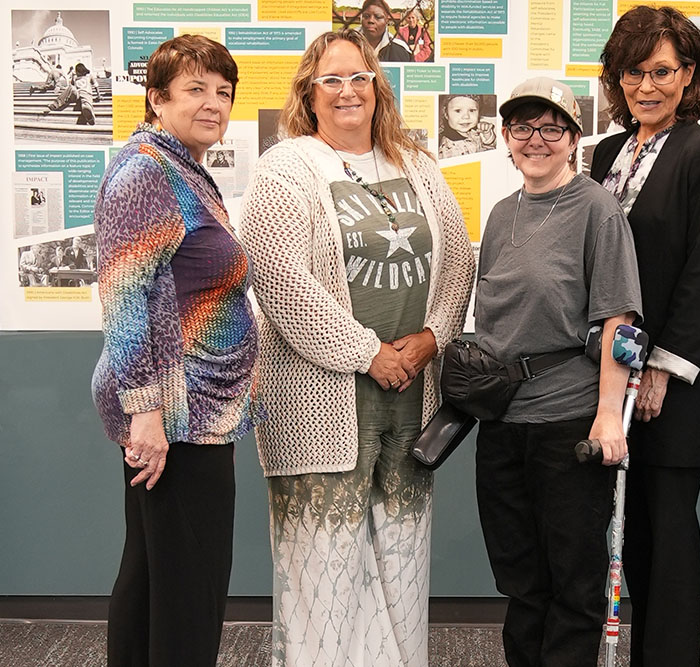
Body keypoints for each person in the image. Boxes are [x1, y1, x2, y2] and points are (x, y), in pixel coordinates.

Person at [239, 29, 474, 666]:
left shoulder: (416, 163)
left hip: (410, 397)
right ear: (309, 95)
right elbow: (281, 279)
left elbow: (457, 261)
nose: (348, 91)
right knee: (322, 563)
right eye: (332, 80)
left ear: (378, 88)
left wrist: (430, 339)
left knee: (401, 555)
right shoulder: (286, 166)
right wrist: (369, 352)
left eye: (360, 78)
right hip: (318, 404)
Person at [90, 35, 259, 666]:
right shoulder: (144, 171)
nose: (214, 103)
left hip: (187, 411)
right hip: (178, 418)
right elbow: (125, 302)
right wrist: (147, 415)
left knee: (155, 576)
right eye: (196, 89)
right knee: (190, 587)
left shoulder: (180, 165)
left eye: (223, 91)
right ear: (157, 99)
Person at [475, 76, 642, 667]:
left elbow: (619, 322)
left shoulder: (597, 209)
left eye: (551, 129)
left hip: (569, 422)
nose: (536, 140)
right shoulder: (500, 215)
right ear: (506, 137)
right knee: (521, 582)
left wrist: (607, 417)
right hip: (501, 423)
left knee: (573, 585)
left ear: (573, 139)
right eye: (523, 128)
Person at [593, 5, 700, 664]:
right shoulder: (604, 152)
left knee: (669, 534)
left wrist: (661, 367)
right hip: (604, 373)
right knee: (622, 532)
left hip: (669, 383)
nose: (646, 86)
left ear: (688, 76)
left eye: (662, 71)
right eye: (633, 71)